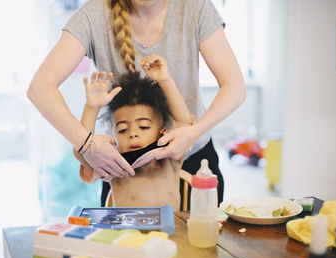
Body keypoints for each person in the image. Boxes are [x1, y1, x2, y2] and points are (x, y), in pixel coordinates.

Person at [27, 0, 245, 209]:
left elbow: (235, 87)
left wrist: (193, 132)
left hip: (195, 161)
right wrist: (88, 145)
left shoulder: (195, 7)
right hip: (120, 163)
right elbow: (40, 88)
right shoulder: (93, 15)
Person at [73, 55, 194, 211]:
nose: (133, 134)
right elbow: (83, 149)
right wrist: (92, 108)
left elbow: (184, 125)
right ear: (114, 136)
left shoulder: (169, 158)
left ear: (162, 132)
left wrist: (165, 81)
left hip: (168, 234)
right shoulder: (113, 164)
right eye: (123, 129)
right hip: (126, 234)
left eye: (143, 126)